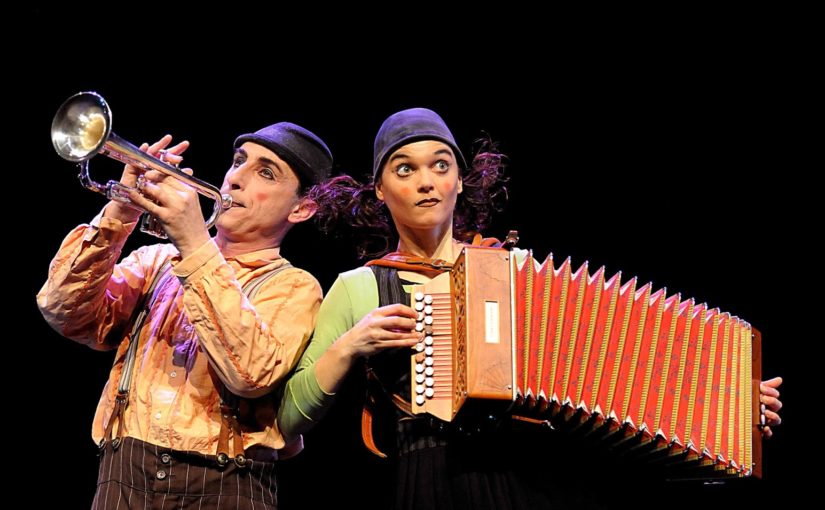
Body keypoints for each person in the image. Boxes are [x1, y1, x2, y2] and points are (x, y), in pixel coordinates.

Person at [277, 108, 784, 509]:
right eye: (405, 169)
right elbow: (290, 418)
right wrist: (350, 346)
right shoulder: (359, 287)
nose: (426, 181)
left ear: (460, 180)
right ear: (380, 189)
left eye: (441, 165)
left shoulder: (514, 270)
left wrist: (732, 401)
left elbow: (623, 364)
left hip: (536, 475)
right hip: (433, 479)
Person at [37, 120, 333, 509]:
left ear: (301, 208)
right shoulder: (155, 261)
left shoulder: (294, 286)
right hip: (124, 477)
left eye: (265, 173)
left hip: (226, 485)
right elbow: (63, 310)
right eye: (238, 162)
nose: (235, 179)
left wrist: (194, 242)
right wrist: (121, 209)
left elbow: (250, 374)